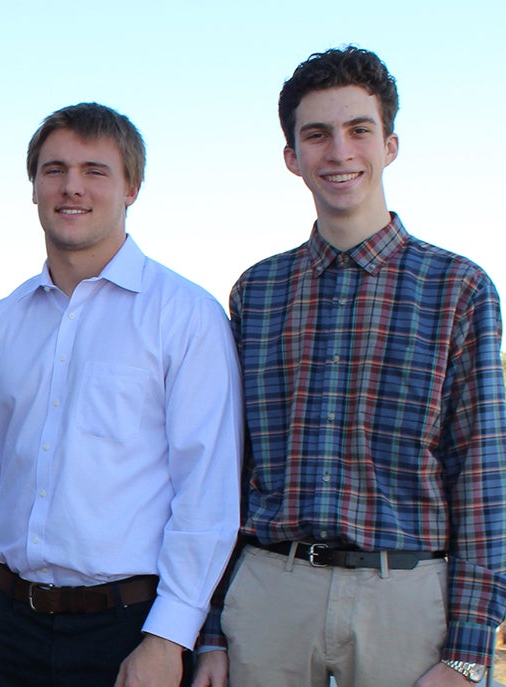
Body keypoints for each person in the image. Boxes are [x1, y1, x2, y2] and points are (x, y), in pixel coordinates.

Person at [193, 46, 506, 687]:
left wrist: (470, 652)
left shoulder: (460, 288)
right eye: (317, 135)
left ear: (389, 145)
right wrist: (210, 631)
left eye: (358, 130)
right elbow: (227, 471)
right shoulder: (257, 291)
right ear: (293, 157)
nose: (339, 152)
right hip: (270, 596)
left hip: (407, 600)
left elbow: (482, 475)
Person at [0, 103, 243, 687]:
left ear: (132, 187)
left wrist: (168, 638)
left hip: (130, 631)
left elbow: (206, 493)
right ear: (33, 187)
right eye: (54, 169)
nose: (72, 186)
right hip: (8, 629)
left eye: (95, 170)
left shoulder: (185, 317)